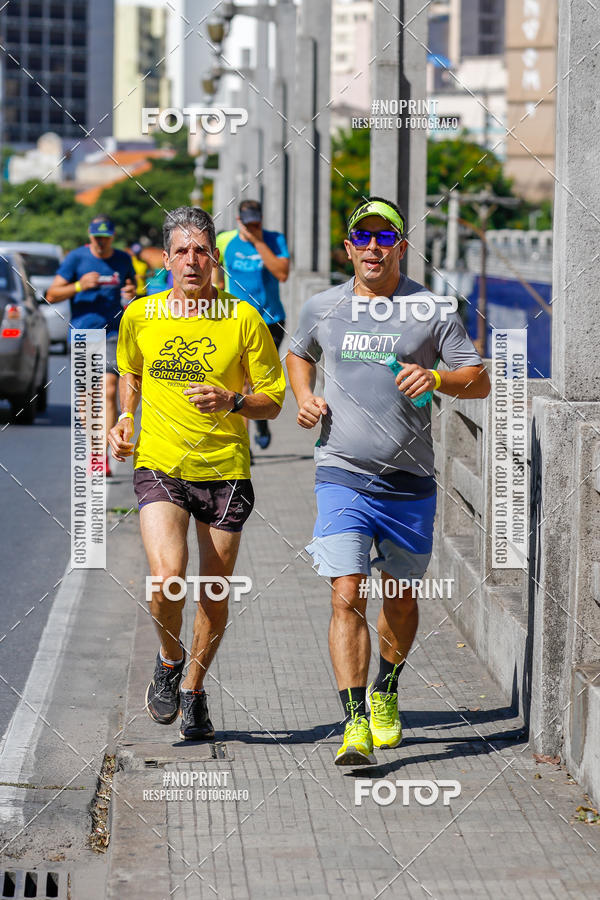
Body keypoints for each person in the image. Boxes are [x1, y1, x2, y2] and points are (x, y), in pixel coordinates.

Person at [286, 196, 490, 767]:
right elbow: (297, 354)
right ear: (348, 247)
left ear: (401, 246)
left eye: (385, 237)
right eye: (363, 237)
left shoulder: (432, 309)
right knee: (346, 591)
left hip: (410, 480)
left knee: (399, 600)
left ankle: (386, 688)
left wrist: (438, 376)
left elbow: (479, 381)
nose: (373, 247)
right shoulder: (323, 306)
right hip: (342, 473)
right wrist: (305, 397)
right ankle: (354, 724)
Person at [108, 206, 285, 741]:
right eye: (182, 250)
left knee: (212, 590)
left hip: (226, 473)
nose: (192, 260)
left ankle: (194, 688)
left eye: (201, 250)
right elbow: (130, 372)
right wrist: (122, 417)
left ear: (215, 258)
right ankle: (168, 659)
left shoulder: (245, 318)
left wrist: (233, 400)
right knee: (167, 578)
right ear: (166, 259)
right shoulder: (141, 315)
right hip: (160, 464)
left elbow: (272, 402)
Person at [47, 215, 137, 474]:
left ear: (113, 237)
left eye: (105, 238)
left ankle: (103, 455)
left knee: (108, 389)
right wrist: (78, 285)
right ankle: (95, 451)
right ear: (90, 236)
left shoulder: (123, 259)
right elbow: (52, 294)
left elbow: (132, 288)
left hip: (113, 333)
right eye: (97, 237)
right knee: (88, 398)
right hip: (84, 333)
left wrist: (131, 294)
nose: (101, 242)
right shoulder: (76, 258)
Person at [215, 199, 289, 450]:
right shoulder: (225, 241)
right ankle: (244, 446)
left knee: (260, 381)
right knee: (241, 381)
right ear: (239, 221)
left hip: (271, 321)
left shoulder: (274, 239)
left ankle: (262, 422)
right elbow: (217, 276)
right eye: (248, 224)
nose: (253, 226)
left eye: (257, 223)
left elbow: (282, 273)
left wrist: (258, 242)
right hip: (236, 320)